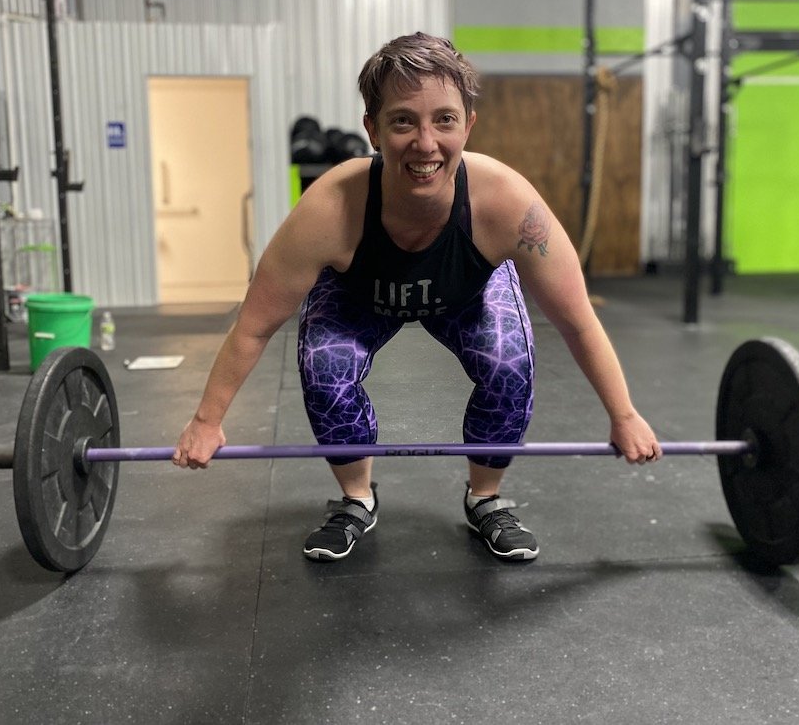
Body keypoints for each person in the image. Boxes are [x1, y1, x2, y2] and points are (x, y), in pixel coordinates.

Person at [172, 32, 662, 562]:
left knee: (508, 365)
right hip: (357, 295)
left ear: (468, 125)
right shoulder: (330, 211)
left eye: (444, 120)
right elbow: (254, 325)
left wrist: (624, 415)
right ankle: (356, 498)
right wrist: (206, 420)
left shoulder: (506, 204)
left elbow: (577, 321)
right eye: (403, 120)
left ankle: (485, 499)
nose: (426, 143)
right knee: (324, 368)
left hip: (466, 294)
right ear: (373, 130)